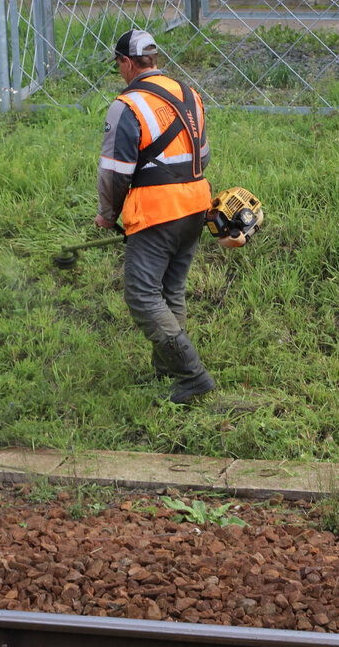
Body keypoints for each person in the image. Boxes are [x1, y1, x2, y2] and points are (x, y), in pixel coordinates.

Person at [96, 29, 237, 405]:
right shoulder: (189, 94)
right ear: (154, 60)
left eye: (119, 65)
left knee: (143, 297)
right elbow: (201, 156)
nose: (120, 72)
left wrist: (107, 216)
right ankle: (167, 371)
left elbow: (114, 172)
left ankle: (192, 375)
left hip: (156, 215)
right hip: (195, 206)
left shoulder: (127, 106)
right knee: (169, 290)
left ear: (127, 63)